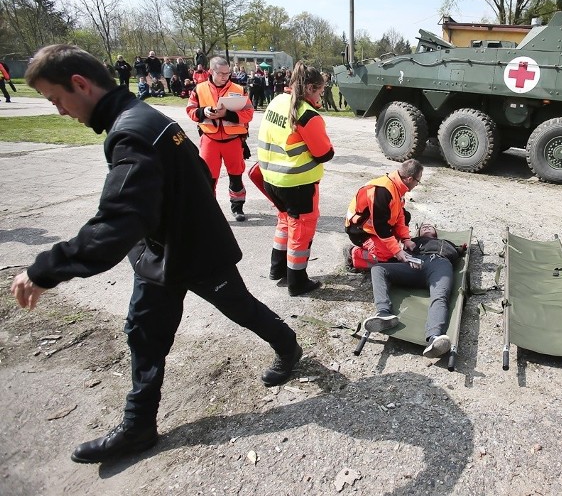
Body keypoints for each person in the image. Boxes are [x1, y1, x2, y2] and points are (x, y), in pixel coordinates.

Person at [11, 44, 302, 464]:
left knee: (240, 307)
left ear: (79, 84)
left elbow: (116, 222)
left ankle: (288, 345)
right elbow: (194, 173)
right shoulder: (141, 118)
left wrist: (45, 269)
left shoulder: (133, 130)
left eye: (56, 99)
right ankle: (139, 427)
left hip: (197, 250)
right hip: (159, 253)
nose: (59, 111)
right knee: (144, 331)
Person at [256, 61, 334, 296]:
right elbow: (325, 153)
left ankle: (277, 269)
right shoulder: (308, 115)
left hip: (271, 179)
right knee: (301, 231)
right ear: (311, 88)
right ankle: (297, 282)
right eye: (320, 90)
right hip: (297, 183)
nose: (321, 94)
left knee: (284, 223)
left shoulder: (278, 100)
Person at [364, 223, 466, 358]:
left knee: (440, 296)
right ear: (418, 233)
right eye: (423, 227)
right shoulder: (412, 242)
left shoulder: (448, 243)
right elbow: (395, 252)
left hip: (440, 266)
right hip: (416, 264)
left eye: (430, 226)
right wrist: (408, 257)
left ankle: (434, 337)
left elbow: (459, 253)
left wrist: (463, 248)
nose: (426, 227)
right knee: (378, 269)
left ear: (436, 232)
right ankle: (383, 313)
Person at [186, 56, 253, 221]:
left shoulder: (239, 89)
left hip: (233, 140)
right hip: (210, 139)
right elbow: (190, 110)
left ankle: (237, 208)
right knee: (209, 178)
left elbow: (249, 113)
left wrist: (228, 114)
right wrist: (203, 112)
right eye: (221, 73)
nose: (225, 76)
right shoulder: (199, 89)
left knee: (236, 176)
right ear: (211, 72)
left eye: (227, 73)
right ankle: (209, 210)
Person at [344, 159, 423, 271]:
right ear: (410, 179)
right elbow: (380, 227)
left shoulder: (397, 186)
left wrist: (406, 239)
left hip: (375, 226)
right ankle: (353, 254)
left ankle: (385, 246)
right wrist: (397, 251)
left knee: (406, 215)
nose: (417, 185)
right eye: (417, 181)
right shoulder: (382, 191)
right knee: (387, 255)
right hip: (359, 230)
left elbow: (400, 215)